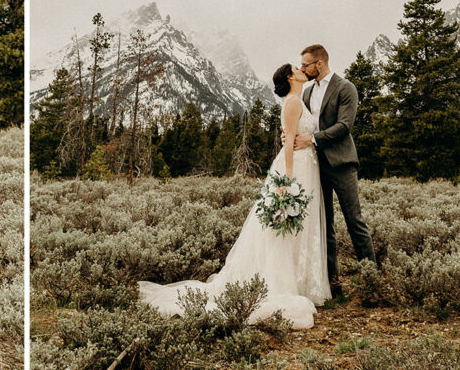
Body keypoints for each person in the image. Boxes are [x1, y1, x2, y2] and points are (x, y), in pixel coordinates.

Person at [139, 62, 329, 329]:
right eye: (297, 68)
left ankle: (300, 280)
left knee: (294, 226)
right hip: (295, 166)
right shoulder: (293, 102)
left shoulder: (298, 99)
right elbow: (287, 144)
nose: (301, 69)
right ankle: (281, 282)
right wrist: (287, 178)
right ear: (290, 77)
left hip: (305, 165)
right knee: (282, 229)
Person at [290, 44, 375, 294]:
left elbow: (344, 126)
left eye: (305, 64)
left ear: (319, 63)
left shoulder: (345, 88)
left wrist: (312, 140)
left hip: (342, 164)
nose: (302, 68)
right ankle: (332, 281)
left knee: (354, 221)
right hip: (315, 166)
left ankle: (371, 283)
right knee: (323, 223)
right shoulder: (306, 93)